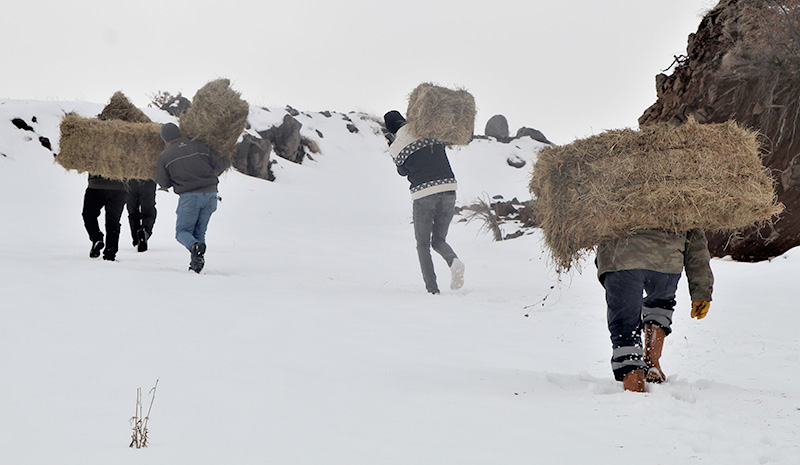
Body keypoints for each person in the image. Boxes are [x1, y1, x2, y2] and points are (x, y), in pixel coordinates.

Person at [596, 228, 714, 392]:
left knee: (625, 324)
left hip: (622, 255)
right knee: (660, 304)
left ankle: (633, 378)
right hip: (666, 257)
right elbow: (695, 238)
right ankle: (653, 364)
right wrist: (701, 290)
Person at [384, 110, 465, 294]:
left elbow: (402, 172)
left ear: (391, 130)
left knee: (423, 244)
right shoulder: (428, 130)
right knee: (439, 240)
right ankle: (453, 260)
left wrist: (393, 148)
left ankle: (432, 289)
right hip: (449, 189)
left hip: (424, 195)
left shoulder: (396, 147)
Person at [156, 123, 229, 273]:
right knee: (199, 233)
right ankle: (195, 266)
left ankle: (194, 248)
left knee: (182, 232)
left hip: (189, 197)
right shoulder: (200, 145)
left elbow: (164, 183)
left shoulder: (165, 156)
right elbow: (220, 164)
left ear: (165, 139)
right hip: (211, 195)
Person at [82, 174, 128, 261]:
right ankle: (110, 251)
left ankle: (96, 238)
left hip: (96, 185)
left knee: (89, 214)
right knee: (113, 221)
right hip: (119, 186)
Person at [126, 179, 157, 252]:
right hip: (148, 180)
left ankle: (136, 237)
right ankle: (145, 232)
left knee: (133, 212)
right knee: (148, 210)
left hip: (130, 180)